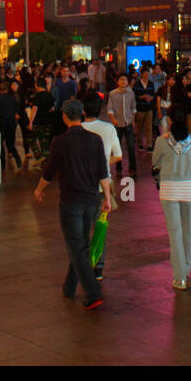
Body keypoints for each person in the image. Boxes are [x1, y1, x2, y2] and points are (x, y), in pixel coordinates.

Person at [34, 99, 114, 309]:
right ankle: (69, 286)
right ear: (82, 114)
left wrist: (39, 189)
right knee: (80, 243)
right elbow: (103, 172)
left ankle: (93, 292)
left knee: (76, 245)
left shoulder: (59, 142)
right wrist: (106, 197)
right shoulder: (95, 140)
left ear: (64, 117)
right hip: (91, 200)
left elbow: (49, 172)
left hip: (71, 201)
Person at [152, 107, 191, 290]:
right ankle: (186, 268)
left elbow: (155, 161)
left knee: (175, 232)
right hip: (189, 187)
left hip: (169, 189)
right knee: (188, 229)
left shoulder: (162, 141)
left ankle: (179, 277)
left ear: (170, 121)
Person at [81, 95, 121, 282]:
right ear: (101, 110)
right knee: (100, 227)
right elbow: (118, 156)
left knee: (81, 228)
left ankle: (81, 266)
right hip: (102, 184)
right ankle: (98, 266)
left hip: (80, 186)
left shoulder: (77, 128)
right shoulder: (108, 128)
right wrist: (104, 164)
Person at [106, 73, 137, 172]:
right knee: (117, 148)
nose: (123, 81)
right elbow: (109, 109)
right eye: (121, 79)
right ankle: (118, 168)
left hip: (128, 123)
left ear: (128, 82)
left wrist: (133, 120)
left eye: (125, 80)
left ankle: (133, 169)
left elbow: (133, 108)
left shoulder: (131, 93)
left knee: (131, 147)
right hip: (117, 124)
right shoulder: (112, 94)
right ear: (118, 81)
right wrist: (113, 120)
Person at [0, 82, 22, 173]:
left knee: (1, 144)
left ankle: (3, 163)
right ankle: (17, 157)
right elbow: (16, 112)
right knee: (10, 144)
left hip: (1, 123)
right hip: (11, 123)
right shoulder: (12, 98)